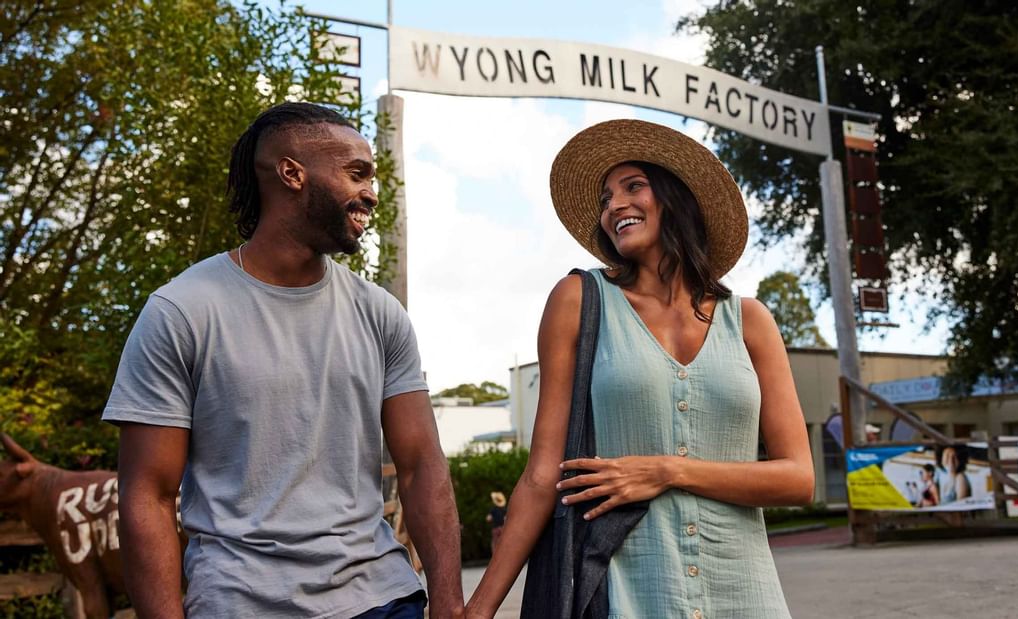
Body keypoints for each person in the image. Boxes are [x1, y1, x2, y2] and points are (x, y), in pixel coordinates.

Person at [103, 102, 464, 619]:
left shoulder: (381, 314)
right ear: (292, 174)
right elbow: (148, 495)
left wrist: (449, 604)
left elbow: (422, 464)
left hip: (380, 597)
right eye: (356, 173)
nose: (371, 193)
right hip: (239, 603)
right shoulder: (181, 311)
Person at [466, 119, 814, 618]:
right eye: (606, 198)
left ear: (677, 199)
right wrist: (479, 608)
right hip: (631, 594)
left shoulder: (750, 321)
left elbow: (798, 478)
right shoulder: (579, 301)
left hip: (745, 594)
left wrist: (667, 471)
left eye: (633, 187)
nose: (614, 207)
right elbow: (543, 476)